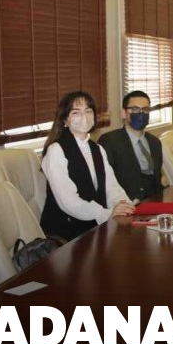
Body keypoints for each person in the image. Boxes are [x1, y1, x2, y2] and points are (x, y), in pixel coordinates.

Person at [41, 91, 135, 241]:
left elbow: (111, 187)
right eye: (76, 113)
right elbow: (69, 201)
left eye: (88, 111)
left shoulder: (97, 149)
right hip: (66, 234)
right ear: (65, 119)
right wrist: (105, 213)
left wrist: (125, 205)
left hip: (94, 227)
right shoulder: (56, 151)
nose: (84, 117)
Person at [97, 90, 163, 201]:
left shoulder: (155, 142)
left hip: (155, 201)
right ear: (124, 113)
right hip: (126, 203)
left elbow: (157, 181)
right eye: (135, 109)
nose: (141, 113)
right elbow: (105, 182)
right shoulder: (110, 141)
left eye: (145, 109)